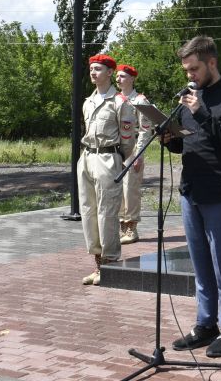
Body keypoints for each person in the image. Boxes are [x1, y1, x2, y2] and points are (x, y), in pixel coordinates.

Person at [165, 36, 221, 358]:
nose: (190, 76)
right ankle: (205, 324)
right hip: (191, 191)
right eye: (186, 70)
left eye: (194, 69)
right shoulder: (189, 98)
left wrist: (201, 112)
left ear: (211, 63)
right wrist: (166, 136)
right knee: (200, 264)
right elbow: (184, 144)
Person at [78, 53, 137, 286]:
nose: (94, 73)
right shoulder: (88, 101)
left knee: (107, 213)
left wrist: (116, 157)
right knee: (88, 211)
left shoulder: (120, 102)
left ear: (110, 73)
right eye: (92, 69)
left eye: (99, 69)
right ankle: (98, 263)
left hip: (107, 156)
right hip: (87, 156)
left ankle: (110, 264)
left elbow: (128, 140)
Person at [115, 64, 154, 245]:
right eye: (117, 76)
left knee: (130, 190)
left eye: (122, 76)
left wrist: (138, 155)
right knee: (116, 191)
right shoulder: (114, 99)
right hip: (115, 151)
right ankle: (121, 226)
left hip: (132, 151)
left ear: (131, 79)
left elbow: (145, 130)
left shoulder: (140, 100)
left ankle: (131, 228)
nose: (118, 79)